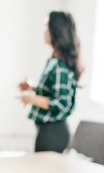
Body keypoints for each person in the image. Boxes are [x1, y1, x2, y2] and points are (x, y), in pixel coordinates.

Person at [19, 11, 82, 153]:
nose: (43, 30)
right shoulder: (53, 60)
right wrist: (32, 88)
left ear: (55, 30)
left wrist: (31, 99)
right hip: (46, 130)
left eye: (45, 26)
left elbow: (61, 102)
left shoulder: (60, 65)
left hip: (53, 132)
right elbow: (53, 91)